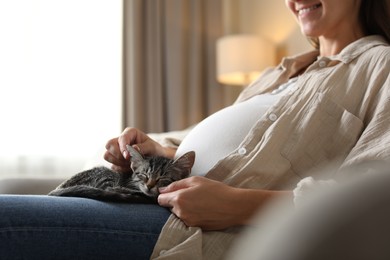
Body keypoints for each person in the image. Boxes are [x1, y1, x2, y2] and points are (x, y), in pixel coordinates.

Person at [1, 0, 389, 259]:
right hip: (153, 201)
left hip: (197, 231)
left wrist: (237, 205)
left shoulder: (378, 66)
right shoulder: (280, 73)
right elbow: (219, 145)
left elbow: (375, 199)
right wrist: (159, 149)